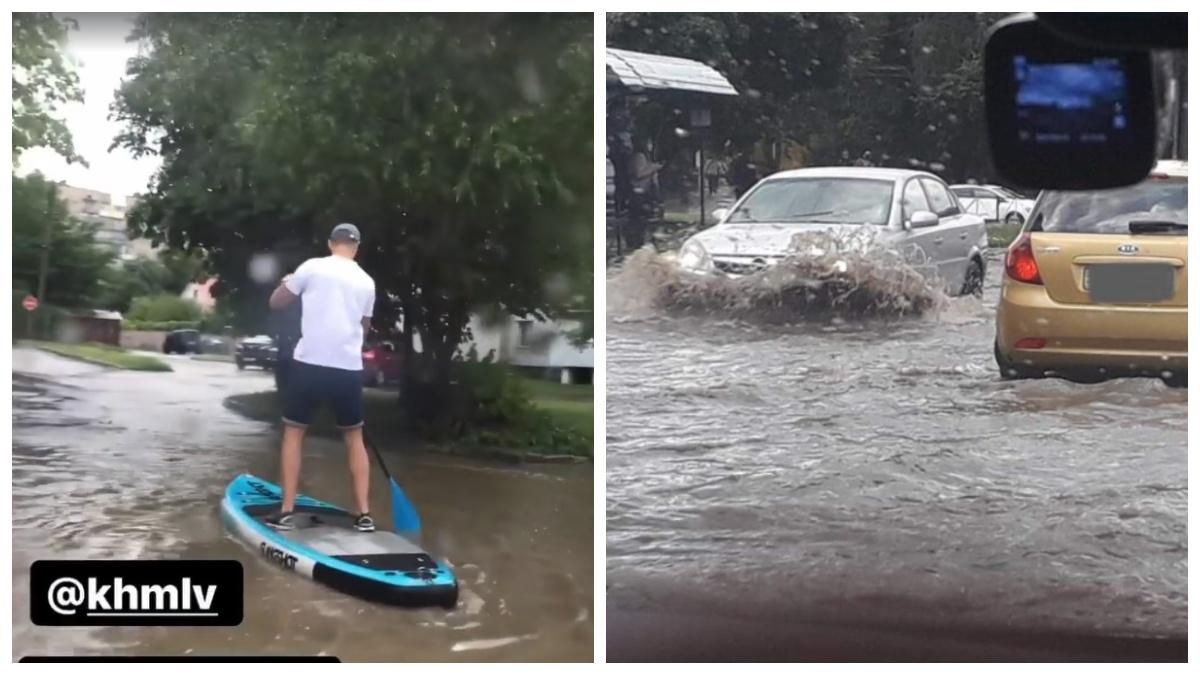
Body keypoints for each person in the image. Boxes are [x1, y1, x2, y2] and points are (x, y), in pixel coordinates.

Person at [266, 223, 377, 532]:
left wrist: (287, 281)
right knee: (354, 437)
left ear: (331, 243)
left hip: (309, 364)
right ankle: (364, 515)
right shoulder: (367, 282)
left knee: (294, 433)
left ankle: (287, 511)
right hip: (347, 368)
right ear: (356, 248)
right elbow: (364, 328)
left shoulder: (312, 268)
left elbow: (276, 302)